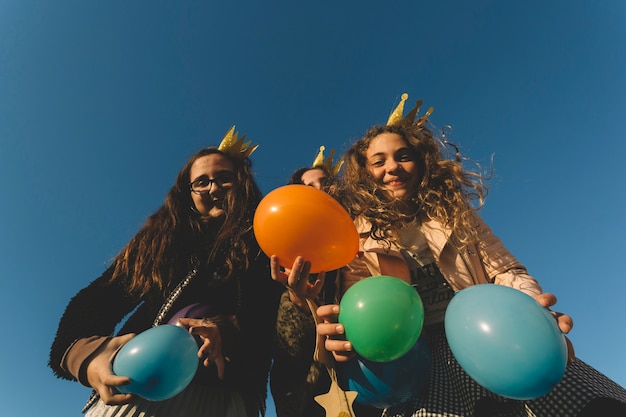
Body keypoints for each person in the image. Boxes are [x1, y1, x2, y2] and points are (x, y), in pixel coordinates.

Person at [314, 94, 626, 417]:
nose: (392, 167)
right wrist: (342, 341)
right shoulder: (356, 239)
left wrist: (534, 308)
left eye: (403, 156)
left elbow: (505, 270)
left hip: (495, 334)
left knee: (590, 405)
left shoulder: (453, 213)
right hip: (425, 361)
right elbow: (357, 307)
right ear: (365, 173)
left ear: (420, 162)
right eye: (379, 161)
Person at [49, 126, 287, 417]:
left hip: (230, 398)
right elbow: (99, 299)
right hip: (140, 387)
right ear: (188, 194)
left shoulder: (270, 243)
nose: (213, 188)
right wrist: (85, 355)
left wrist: (229, 330)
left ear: (242, 184)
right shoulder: (160, 242)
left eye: (224, 178)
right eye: (201, 182)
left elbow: (275, 321)